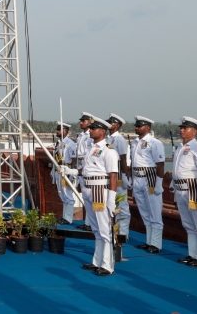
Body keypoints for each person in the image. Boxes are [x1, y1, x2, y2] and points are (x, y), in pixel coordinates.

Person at [77, 116, 120, 276]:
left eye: (93, 128)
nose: (90, 130)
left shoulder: (108, 151)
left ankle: (108, 265)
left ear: (102, 131)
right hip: (88, 188)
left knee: (104, 229)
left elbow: (113, 176)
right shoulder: (91, 148)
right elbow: (87, 169)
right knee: (95, 229)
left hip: (100, 190)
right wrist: (73, 171)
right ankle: (97, 261)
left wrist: (111, 198)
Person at [168, 116, 197, 268]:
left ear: (194, 132)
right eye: (181, 127)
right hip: (180, 189)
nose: (181, 130)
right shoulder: (180, 147)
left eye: (185, 128)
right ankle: (192, 254)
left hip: (194, 189)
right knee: (188, 224)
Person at [129, 116, 165, 254]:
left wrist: (159, 183)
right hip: (138, 177)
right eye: (136, 126)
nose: (136, 128)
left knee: (154, 213)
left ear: (148, 128)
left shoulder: (154, 143)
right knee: (144, 212)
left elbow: (160, 164)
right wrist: (131, 179)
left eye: (140, 126)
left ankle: (156, 244)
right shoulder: (134, 142)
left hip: (150, 178)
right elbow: (133, 162)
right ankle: (149, 241)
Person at [104, 114, 131, 244]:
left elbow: (123, 159)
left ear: (117, 125)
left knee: (122, 205)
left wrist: (125, 176)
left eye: (112, 122)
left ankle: (123, 233)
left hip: (119, 175)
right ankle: (115, 231)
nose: (109, 124)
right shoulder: (108, 138)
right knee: (113, 204)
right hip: (110, 175)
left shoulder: (119, 139)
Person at [73, 113, 94, 231]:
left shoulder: (90, 135)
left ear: (90, 122)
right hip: (80, 164)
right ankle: (87, 222)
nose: (81, 123)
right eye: (81, 121)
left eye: (84, 121)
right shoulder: (81, 135)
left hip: (87, 164)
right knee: (85, 196)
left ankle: (91, 223)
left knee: (90, 196)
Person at [55, 123, 78, 225]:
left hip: (66, 170)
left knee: (68, 195)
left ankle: (68, 218)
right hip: (59, 170)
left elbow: (73, 160)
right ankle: (64, 217)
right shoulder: (59, 142)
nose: (57, 131)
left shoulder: (70, 143)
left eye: (59, 130)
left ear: (65, 131)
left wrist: (71, 173)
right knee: (62, 194)